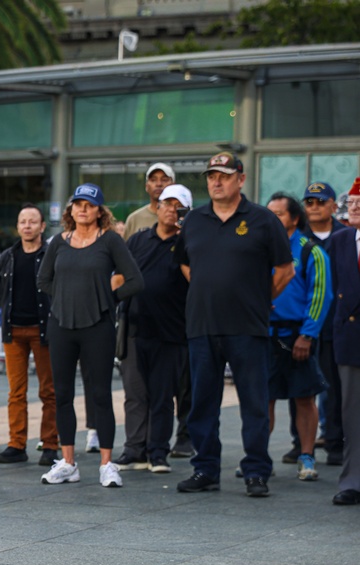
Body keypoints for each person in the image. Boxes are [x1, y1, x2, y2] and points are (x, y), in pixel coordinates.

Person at [174, 152, 295, 498]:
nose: (216, 181)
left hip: (248, 326)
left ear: (240, 179)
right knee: (203, 402)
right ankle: (205, 469)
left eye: (224, 176)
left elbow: (286, 270)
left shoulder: (262, 220)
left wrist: (259, 298)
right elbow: (183, 263)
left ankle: (256, 471)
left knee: (254, 402)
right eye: (212, 176)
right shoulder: (194, 220)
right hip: (202, 325)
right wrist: (204, 286)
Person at [37, 183, 143, 488]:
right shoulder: (58, 242)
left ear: (99, 211)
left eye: (89, 204)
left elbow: (135, 280)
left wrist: (106, 300)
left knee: (100, 395)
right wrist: (67, 298)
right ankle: (68, 463)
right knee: (63, 395)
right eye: (78, 203)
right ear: (71, 209)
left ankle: (107, 464)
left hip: (97, 326)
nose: (83, 208)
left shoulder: (110, 240)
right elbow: (44, 279)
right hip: (62, 325)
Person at [115, 184, 191, 474]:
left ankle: (157, 452)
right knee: (135, 394)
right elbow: (120, 277)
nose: (171, 209)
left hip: (172, 332)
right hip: (135, 328)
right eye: (167, 203)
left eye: (178, 206)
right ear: (157, 207)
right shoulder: (137, 240)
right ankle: (134, 449)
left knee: (162, 396)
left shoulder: (187, 243)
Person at [265, 192, 332, 482]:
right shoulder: (260, 249)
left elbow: (320, 296)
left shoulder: (310, 251)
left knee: (305, 398)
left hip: (297, 335)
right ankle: (258, 457)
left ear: (294, 218)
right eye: (269, 213)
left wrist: (307, 335)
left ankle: (306, 456)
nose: (272, 219)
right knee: (262, 399)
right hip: (265, 334)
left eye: (278, 214)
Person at [0, 204, 57, 467]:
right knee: (15, 392)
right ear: (17, 226)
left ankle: (51, 444)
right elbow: (0, 291)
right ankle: (16, 443)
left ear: (43, 226)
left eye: (33, 222)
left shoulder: (51, 255)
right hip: (14, 331)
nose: (27, 226)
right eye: (23, 221)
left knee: (49, 391)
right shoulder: (7, 256)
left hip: (43, 330)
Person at [295, 181, 347, 466]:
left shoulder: (346, 235)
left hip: (336, 326)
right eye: (309, 202)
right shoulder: (297, 238)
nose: (313, 207)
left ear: (332, 205)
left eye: (319, 201)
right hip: (302, 325)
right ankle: (299, 443)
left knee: (334, 388)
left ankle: (335, 441)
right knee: (299, 387)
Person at [328, 177, 360, 505]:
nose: (355, 208)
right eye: (351, 203)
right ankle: (352, 480)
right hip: (350, 336)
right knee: (351, 414)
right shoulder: (340, 240)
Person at [123, 163, 175, 240]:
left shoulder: (183, 218)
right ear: (146, 186)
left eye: (164, 180)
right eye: (153, 180)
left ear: (173, 185)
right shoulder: (134, 219)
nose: (159, 184)